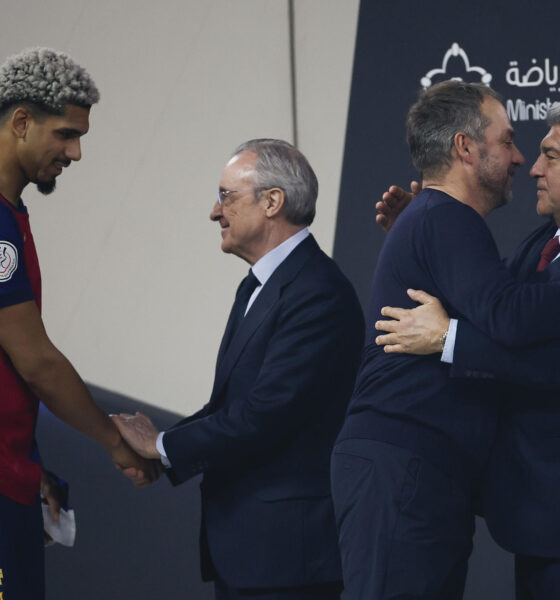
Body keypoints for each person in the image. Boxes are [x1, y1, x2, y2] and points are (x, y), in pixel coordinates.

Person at [330, 80, 560, 600]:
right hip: (405, 466)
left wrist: (423, 244)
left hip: (417, 469)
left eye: (545, 152)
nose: (524, 160)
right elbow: (505, 312)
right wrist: (427, 237)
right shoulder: (446, 217)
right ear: (465, 147)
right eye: (507, 141)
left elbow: (489, 308)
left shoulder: (436, 220)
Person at [113, 138, 365, 600]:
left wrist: (163, 445)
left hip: (288, 561)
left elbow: (263, 415)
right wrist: (160, 457)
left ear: (272, 202)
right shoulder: (257, 287)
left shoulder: (318, 293)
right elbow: (229, 406)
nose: (215, 211)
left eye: (226, 195)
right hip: (250, 550)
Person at [0, 47, 158, 600]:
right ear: (21, 122)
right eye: (65, 134)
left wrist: (30, 464)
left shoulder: (10, 214)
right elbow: (36, 362)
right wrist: (115, 443)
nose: (77, 152)